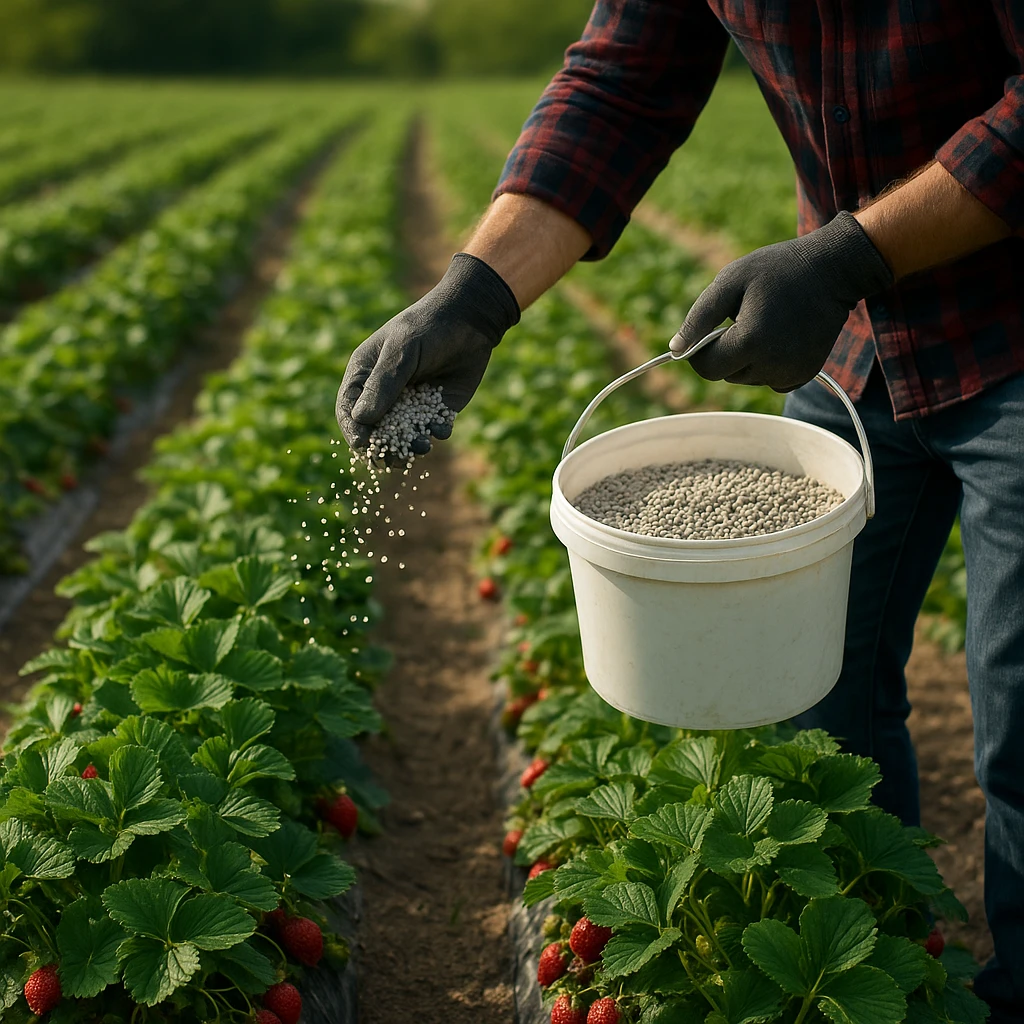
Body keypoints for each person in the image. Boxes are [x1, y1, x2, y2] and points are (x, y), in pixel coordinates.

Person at [336, 3, 1024, 1017]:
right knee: (813, 711)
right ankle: (873, 975)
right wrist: (476, 295)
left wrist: (849, 255)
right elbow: (621, 80)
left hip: (1000, 320)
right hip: (859, 342)